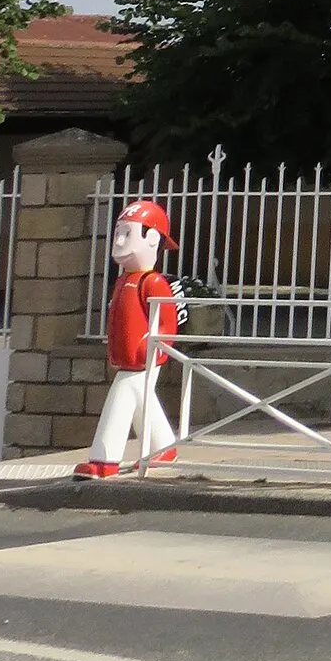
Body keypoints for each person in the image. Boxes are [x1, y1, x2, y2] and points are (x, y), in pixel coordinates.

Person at [75, 198, 185, 479]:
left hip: (143, 356)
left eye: (127, 233)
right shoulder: (124, 281)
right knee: (143, 400)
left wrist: (154, 349)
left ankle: (104, 459)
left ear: (152, 238)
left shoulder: (153, 282)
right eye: (118, 233)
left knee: (121, 400)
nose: (119, 240)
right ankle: (164, 448)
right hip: (129, 357)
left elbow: (167, 321)